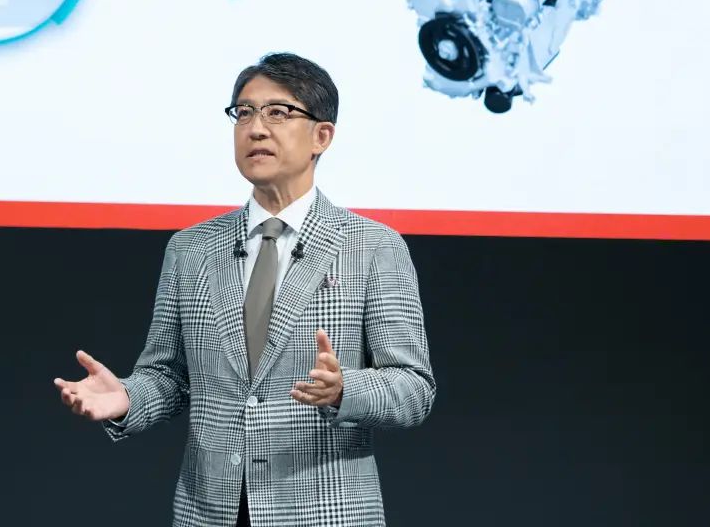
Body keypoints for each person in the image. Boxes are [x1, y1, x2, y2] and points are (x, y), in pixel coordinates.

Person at [54, 53, 435, 526]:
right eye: (244, 112)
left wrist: (344, 390)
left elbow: (413, 388)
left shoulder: (372, 246)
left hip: (324, 514)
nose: (256, 128)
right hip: (209, 512)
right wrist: (127, 399)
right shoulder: (191, 249)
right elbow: (169, 377)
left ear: (322, 136)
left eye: (278, 112)